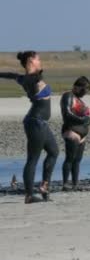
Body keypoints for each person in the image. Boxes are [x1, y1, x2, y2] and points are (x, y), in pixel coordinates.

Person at [0, 51, 59, 203]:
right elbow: (31, 77)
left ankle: (45, 186)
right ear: (31, 61)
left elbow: (12, 75)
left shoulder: (24, 78)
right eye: (38, 59)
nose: (40, 61)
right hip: (35, 122)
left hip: (40, 122)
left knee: (54, 151)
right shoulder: (31, 79)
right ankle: (29, 195)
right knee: (33, 159)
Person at [60, 76, 90, 191]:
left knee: (77, 160)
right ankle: (65, 183)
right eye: (83, 90)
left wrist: (86, 119)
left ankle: (75, 183)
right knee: (70, 158)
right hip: (71, 131)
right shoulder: (68, 96)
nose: (84, 93)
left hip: (82, 133)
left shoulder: (79, 99)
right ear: (77, 87)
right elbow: (67, 114)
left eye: (86, 91)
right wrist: (83, 120)